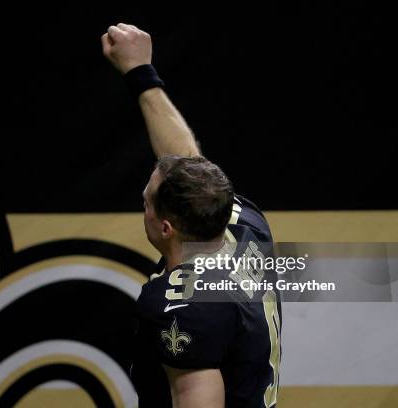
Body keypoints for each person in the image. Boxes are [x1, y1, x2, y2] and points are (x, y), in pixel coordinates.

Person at [102, 23, 282, 408]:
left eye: (146, 202)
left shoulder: (185, 305)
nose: (144, 205)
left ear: (166, 227)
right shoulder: (243, 224)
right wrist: (140, 74)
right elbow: (188, 163)